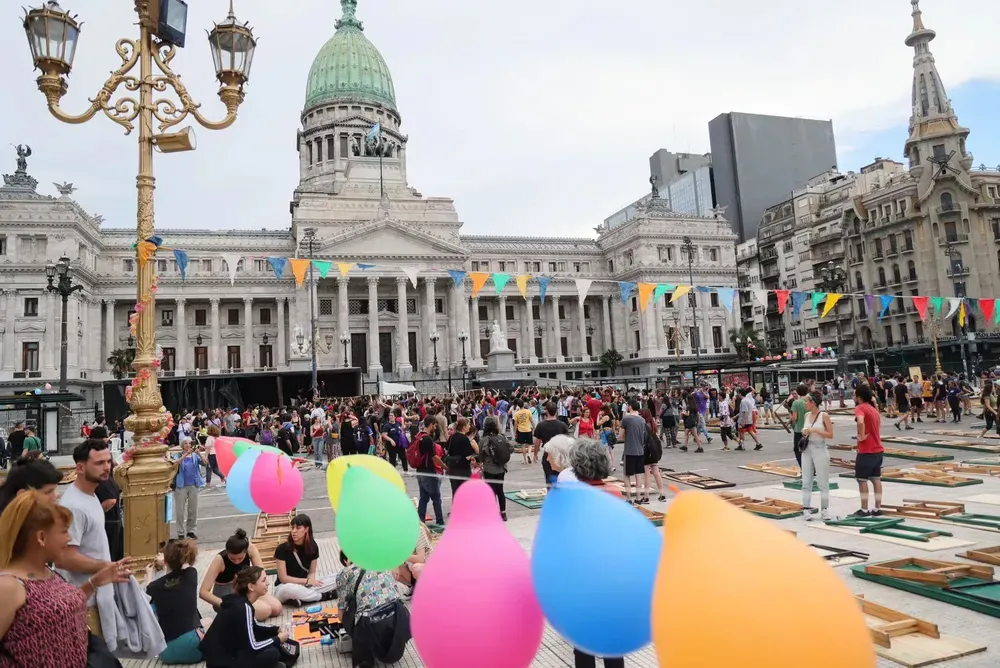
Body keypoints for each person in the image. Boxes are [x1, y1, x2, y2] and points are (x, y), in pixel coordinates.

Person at [0, 490, 132, 668]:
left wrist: (95, 582)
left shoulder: (47, 572)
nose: (69, 538)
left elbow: (57, 608)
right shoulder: (9, 586)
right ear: (41, 537)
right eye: (64, 531)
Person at [53, 438, 118, 637]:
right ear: (80, 468)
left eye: (108, 461)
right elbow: (63, 558)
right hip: (85, 604)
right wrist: (105, 567)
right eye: (99, 463)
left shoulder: (90, 495)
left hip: (97, 597)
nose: (106, 467)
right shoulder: (74, 506)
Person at [199, 566, 288, 668]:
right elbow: (253, 646)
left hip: (222, 658)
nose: (267, 583)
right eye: (263, 580)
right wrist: (277, 639)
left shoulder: (240, 601)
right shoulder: (243, 607)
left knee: (271, 647)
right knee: (272, 653)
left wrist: (276, 630)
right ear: (251, 587)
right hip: (222, 662)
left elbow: (254, 627)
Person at [337, 550, 411, 668]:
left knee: (350, 607)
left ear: (346, 561)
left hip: (369, 625)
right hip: (398, 617)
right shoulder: (381, 561)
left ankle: (364, 656)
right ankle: (393, 643)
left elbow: (341, 612)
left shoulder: (345, 572)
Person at [146, 538, 208, 665]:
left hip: (166, 653)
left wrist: (149, 574)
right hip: (193, 650)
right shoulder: (191, 575)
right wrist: (167, 560)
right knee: (209, 621)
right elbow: (183, 569)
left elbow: (150, 590)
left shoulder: (154, 587)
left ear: (165, 561)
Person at [200, 528, 282, 621]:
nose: (237, 561)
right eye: (232, 559)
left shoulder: (251, 549)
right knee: (265, 610)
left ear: (245, 551)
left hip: (245, 590)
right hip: (226, 595)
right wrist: (224, 603)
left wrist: (261, 589)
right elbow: (203, 592)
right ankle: (233, 614)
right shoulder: (220, 560)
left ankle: (246, 608)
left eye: (240, 558)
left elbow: (261, 574)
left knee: (277, 608)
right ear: (227, 552)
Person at [273, 514, 337, 605]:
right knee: (289, 589)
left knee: (338, 577)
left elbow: (312, 572)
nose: (294, 531)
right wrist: (306, 581)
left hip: (304, 586)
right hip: (284, 587)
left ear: (306, 529)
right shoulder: (282, 549)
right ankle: (322, 596)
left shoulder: (313, 547)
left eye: (298, 528)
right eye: (292, 528)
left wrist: (311, 582)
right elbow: (283, 578)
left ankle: (303, 598)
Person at [799, 391, 834, 520]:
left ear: (813, 402)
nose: (805, 404)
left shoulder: (824, 416)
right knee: (806, 480)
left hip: (820, 449)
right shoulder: (807, 415)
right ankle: (806, 509)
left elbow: (830, 434)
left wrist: (814, 430)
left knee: (822, 482)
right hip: (807, 449)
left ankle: (824, 509)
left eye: (807, 401)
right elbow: (804, 429)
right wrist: (805, 431)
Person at [854, 384, 885, 517]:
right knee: (876, 479)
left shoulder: (860, 408)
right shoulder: (874, 410)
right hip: (878, 450)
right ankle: (877, 508)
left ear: (859, 397)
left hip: (866, 450)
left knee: (862, 480)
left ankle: (864, 509)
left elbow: (860, 421)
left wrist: (861, 436)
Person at [478, 416, 512, 521]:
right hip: (501, 468)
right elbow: (511, 448)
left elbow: (481, 455)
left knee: (491, 491)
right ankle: (503, 513)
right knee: (500, 490)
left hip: (489, 468)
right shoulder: (501, 437)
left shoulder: (484, 439)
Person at [413, 417, 445, 526]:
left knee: (424, 497)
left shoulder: (419, 436)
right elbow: (434, 457)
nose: (435, 428)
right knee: (436, 497)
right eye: (435, 425)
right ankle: (440, 521)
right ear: (431, 425)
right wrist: (444, 467)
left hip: (420, 471)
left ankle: (420, 521)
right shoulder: (428, 439)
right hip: (428, 471)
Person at [173, 438, 207, 540]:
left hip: (193, 484)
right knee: (180, 510)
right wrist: (185, 454)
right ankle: (180, 532)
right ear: (182, 445)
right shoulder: (178, 455)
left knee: (193, 509)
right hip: (181, 485)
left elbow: (205, 463)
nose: (188, 445)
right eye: (186, 443)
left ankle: (191, 530)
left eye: (189, 443)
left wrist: (199, 454)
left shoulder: (195, 456)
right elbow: (176, 463)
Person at [617, 400, 647, 504]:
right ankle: (638, 498)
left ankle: (629, 498)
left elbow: (620, 436)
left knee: (627, 475)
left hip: (629, 451)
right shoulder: (642, 420)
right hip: (640, 451)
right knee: (638, 476)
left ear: (629, 407)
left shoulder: (626, 419)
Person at [534, 401, 569, 485]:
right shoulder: (562, 425)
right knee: (560, 478)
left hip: (548, 454)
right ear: (556, 411)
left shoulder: (541, 425)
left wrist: (535, 454)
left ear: (546, 411)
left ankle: (551, 495)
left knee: (549, 479)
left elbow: (537, 442)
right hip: (560, 454)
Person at [445, 417, 479, 498]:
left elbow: (446, 450)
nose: (469, 426)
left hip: (452, 468)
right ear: (463, 427)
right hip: (463, 469)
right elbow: (468, 457)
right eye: (468, 425)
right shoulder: (465, 439)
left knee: (455, 492)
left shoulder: (452, 437)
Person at [789, 384, 809, 467]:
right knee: (808, 450)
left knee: (798, 449)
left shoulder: (796, 403)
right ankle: (812, 468)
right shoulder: (809, 401)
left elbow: (794, 417)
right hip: (809, 429)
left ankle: (803, 468)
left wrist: (791, 417)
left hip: (799, 429)